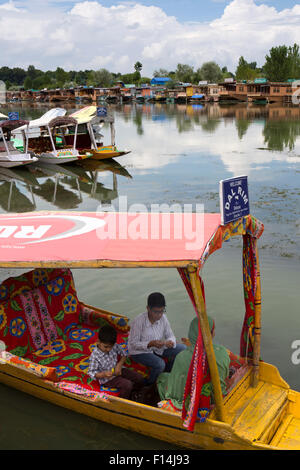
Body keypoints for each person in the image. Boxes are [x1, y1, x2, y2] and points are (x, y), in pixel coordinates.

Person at [156, 315, 230, 410]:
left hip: (191, 402)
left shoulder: (182, 357)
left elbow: (173, 391)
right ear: (211, 334)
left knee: (162, 378)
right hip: (214, 398)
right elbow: (224, 378)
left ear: (191, 333)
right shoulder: (222, 352)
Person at [128, 292, 186, 386]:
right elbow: (133, 344)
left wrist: (170, 342)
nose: (159, 315)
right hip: (139, 352)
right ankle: (149, 384)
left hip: (157, 348)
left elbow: (170, 335)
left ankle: (168, 372)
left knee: (183, 349)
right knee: (160, 364)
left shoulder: (163, 318)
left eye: (162, 311)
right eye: (156, 312)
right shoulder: (138, 321)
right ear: (148, 309)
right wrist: (150, 344)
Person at [88, 325, 144, 399]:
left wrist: (119, 365)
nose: (108, 349)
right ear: (98, 342)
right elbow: (92, 373)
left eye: (110, 347)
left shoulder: (114, 346)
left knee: (139, 378)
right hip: (108, 378)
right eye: (106, 347)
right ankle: (123, 400)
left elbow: (124, 354)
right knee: (127, 385)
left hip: (118, 369)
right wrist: (103, 374)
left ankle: (135, 393)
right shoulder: (95, 356)